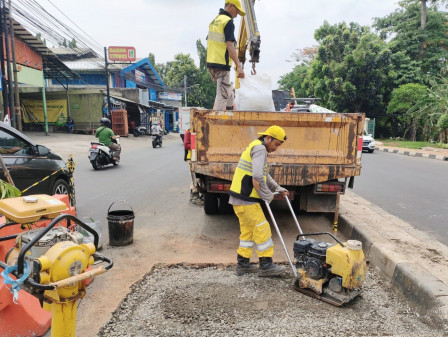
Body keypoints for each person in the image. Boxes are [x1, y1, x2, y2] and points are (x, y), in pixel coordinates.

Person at [229, 125, 289, 277]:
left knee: (247, 233)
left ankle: (243, 264)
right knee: (262, 228)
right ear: (268, 138)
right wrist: (268, 195)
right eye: (276, 144)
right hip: (246, 198)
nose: (276, 148)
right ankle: (266, 266)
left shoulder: (256, 147)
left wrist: (278, 188)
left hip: (238, 198)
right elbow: (257, 175)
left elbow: (264, 174)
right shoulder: (261, 149)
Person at [207, 0, 246, 110]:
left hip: (212, 62)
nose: (237, 15)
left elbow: (211, 43)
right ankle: (218, 122)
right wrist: (238, 65)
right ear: (230, 6)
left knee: (228, 90)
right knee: (222, 94)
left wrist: (212, 70)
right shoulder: (228, 21)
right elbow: (230, 45)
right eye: (237, 11)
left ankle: (230, 111)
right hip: (221, 63)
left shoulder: (215, 20)